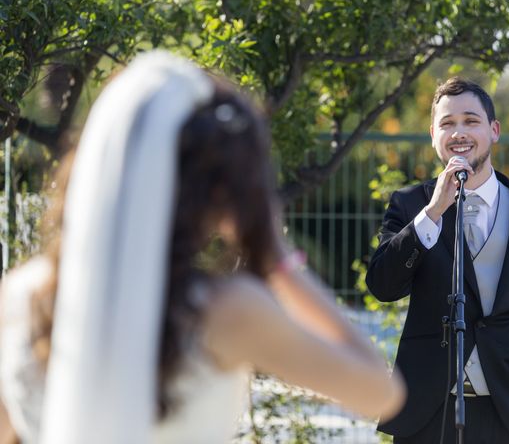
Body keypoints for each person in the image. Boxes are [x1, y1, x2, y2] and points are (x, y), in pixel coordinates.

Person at [0, 51, 405, 444]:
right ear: (219, 195)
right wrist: (275, 255)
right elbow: (380, 393)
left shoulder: (22, 296)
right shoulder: (223, 311)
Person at [366, 77, 509, 444]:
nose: (458, 132)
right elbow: (383, 286)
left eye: (471, 121)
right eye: (447, 124)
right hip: (427, 416)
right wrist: (433, 213)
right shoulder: (410, 206)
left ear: (494, 130)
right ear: (433, 135)